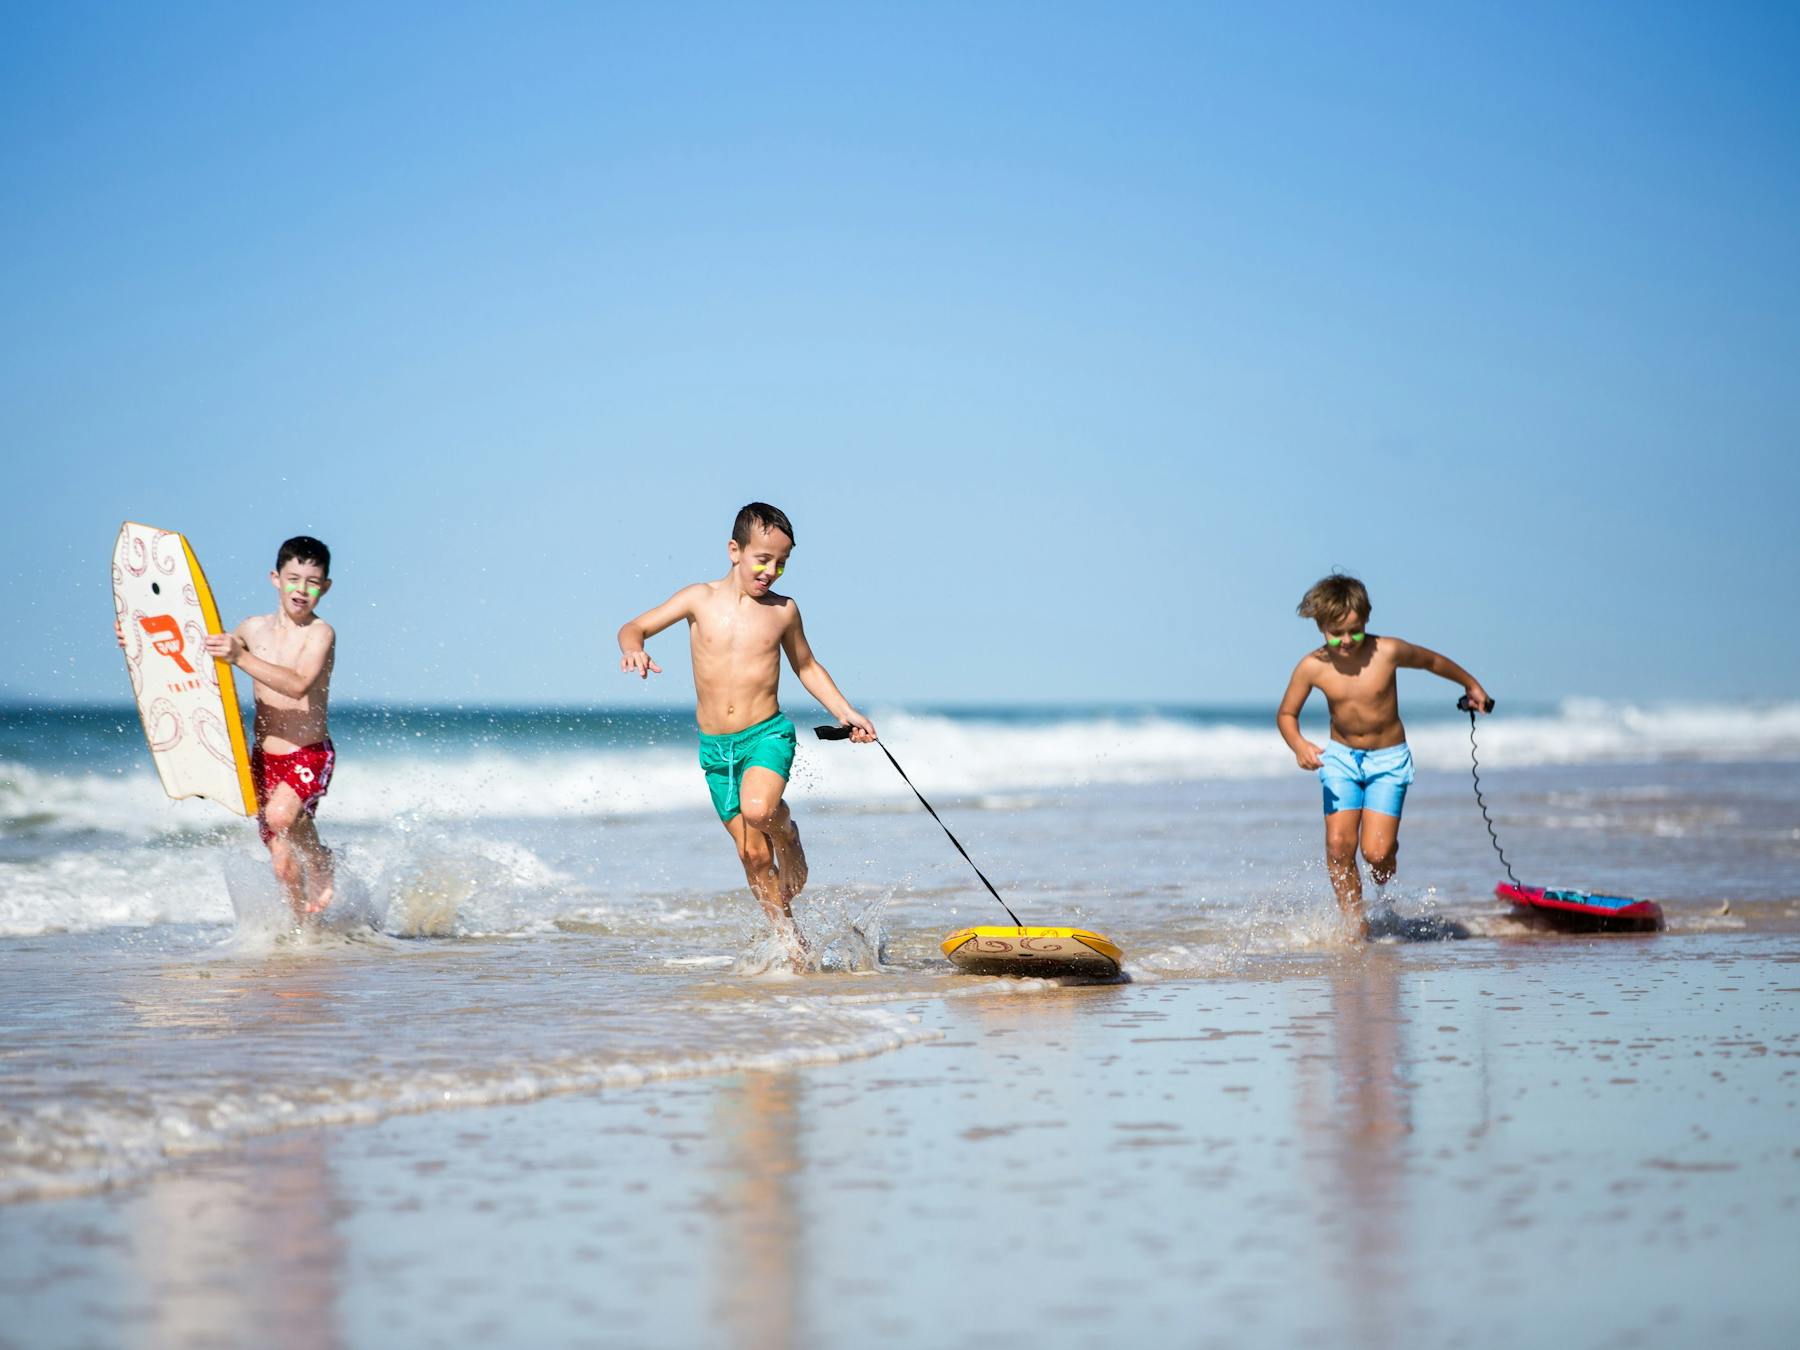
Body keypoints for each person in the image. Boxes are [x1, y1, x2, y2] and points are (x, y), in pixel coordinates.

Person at [618, 503, 875, 966]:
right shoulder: (698, 598)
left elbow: (807, 666)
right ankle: (791, 943)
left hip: (766, 735)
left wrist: (846, 712)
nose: (771, 571)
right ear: (734, 550)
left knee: (760, 812)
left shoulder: (783, 611)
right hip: (717, 750)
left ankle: (788, 834)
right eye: (763, 559)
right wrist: (634, 647)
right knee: (753, 857)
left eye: (782, 563)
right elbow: (634, 626)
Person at [1276, 573, 1490, 940]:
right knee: (1339, 846)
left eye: (1354, 631)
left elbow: (1432, 662)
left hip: (1387, 760)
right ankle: (1354, 926)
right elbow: (1286, 715)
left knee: (1376, 855)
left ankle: (1387, 852)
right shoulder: (1312, 666)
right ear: (1319, 625)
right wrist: (1299, 745)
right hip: (1341, 758)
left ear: (1367, 619)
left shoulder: (1386, 652)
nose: (1346, 641)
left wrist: (1470, 685)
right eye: (1335, 632)